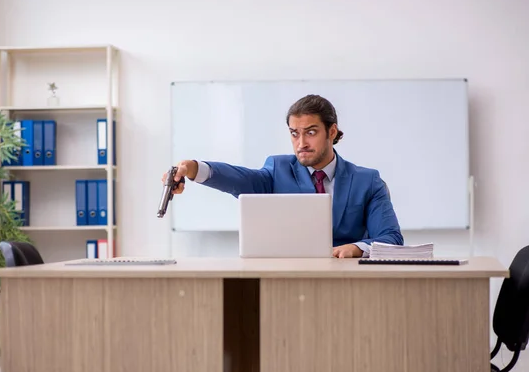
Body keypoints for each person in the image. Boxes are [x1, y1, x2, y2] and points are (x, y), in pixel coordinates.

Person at [163, 94, 403, 258]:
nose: (301, 143)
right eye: (294, 133)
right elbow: (239, 179)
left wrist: (357, 248)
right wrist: (193, 168)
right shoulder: (278, 170)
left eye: (310, 132)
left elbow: (391, 238)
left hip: (347, 281)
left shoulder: (367, 181)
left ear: (331, 131)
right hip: (287, 279)